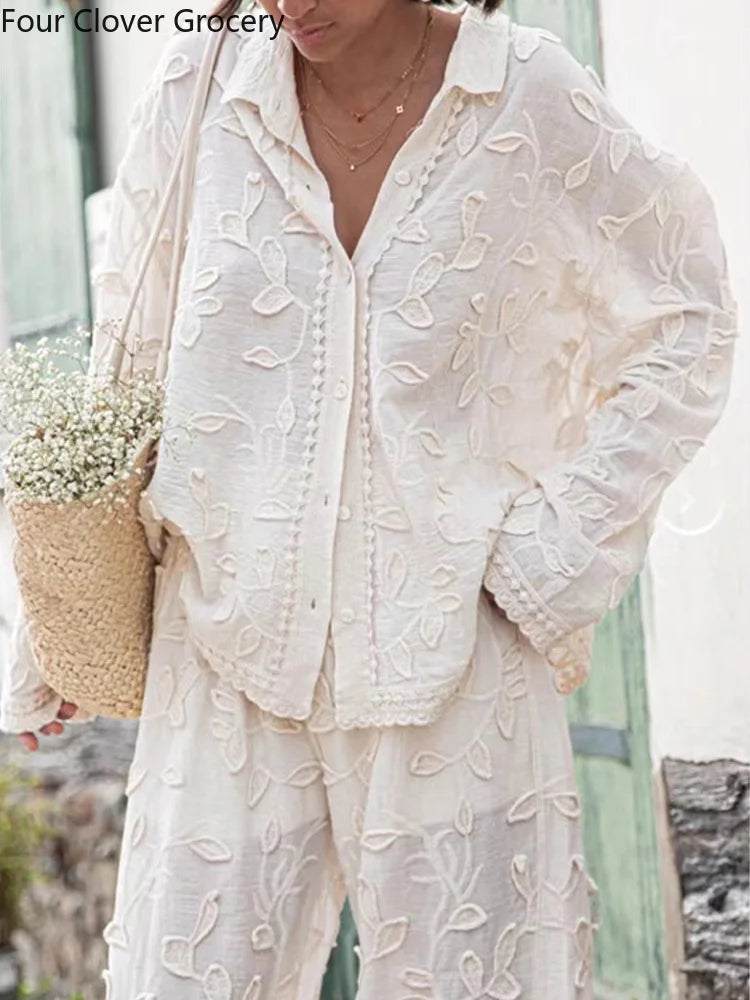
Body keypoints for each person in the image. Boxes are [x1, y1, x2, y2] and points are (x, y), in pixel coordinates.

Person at [1, 0, 737, 997]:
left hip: (456, 666)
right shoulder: (202, 83)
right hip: (226, 657)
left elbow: (689, 312)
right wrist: (50, 631)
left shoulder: (525, 94)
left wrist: (549, 555)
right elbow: (128, 349)